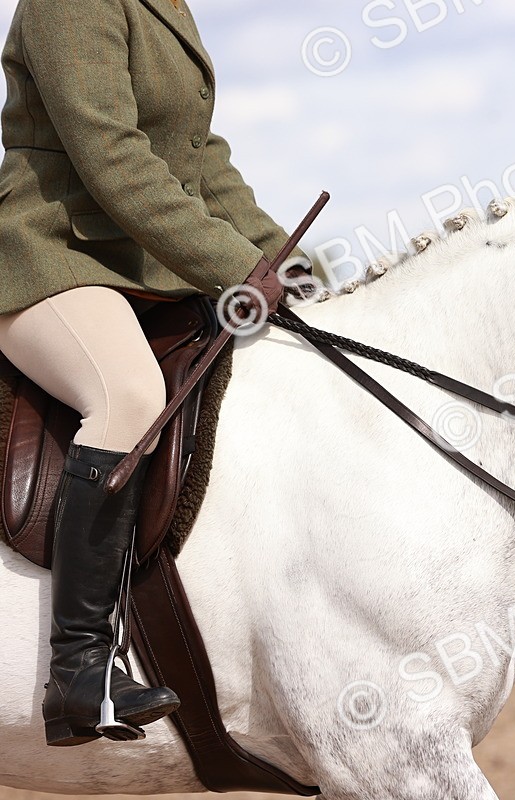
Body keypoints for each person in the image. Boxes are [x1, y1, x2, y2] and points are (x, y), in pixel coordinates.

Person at [0, 0, 307, 746]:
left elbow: (203, 163)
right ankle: (80, 671)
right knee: (127, 395)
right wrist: (236, 266)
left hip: (139, 270)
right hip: (51, 255)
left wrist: (288, 265)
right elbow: (112, 155)